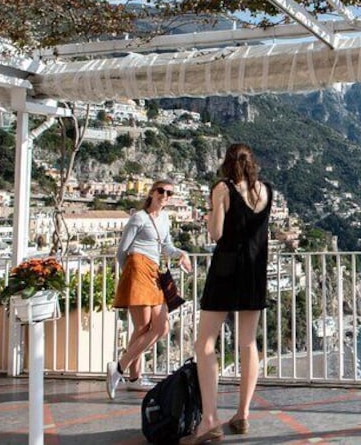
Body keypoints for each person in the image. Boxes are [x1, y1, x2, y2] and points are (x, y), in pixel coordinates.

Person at [180, 143, 273, 445]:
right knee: (248, 341)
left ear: (226, 162)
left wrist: (214, 207)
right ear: (252, 163)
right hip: (255, 271)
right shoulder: (266, 191)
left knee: (205, 341)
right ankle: (242, 414)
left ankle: (209, 420)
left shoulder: (223, 188)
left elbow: (216, 234)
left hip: (226, 270)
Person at [106, 179, 192, 399]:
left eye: (169, 193)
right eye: (161, 191)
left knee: (160, 327)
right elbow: (121, 252)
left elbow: (167, 246)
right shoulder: (138, 218)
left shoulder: (164, 218)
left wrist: (182, 254)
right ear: (152, 192)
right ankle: (132, 377)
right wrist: (131, 276)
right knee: (143, 326)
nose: (165, 195)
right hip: (138, 268)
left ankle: (119, 368)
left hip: (154, 272)